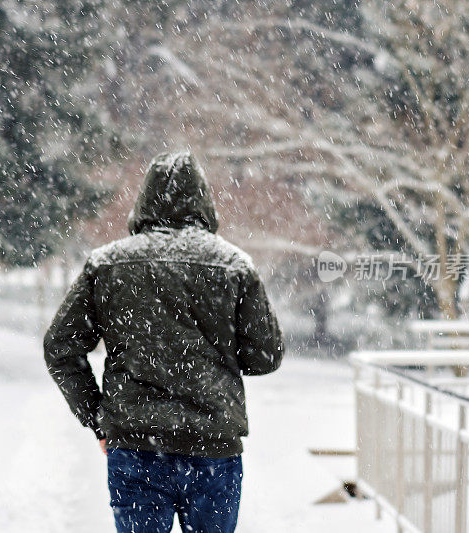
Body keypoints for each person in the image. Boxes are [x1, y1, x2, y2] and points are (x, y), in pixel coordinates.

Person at [44, 151, 284, 533]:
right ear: (204, 200)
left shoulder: (107, 264)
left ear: (145, 200)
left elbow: (61, 347)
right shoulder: (234, 265)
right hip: (212, 447)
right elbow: (265, 356)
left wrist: (97, 418)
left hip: (136, 445)